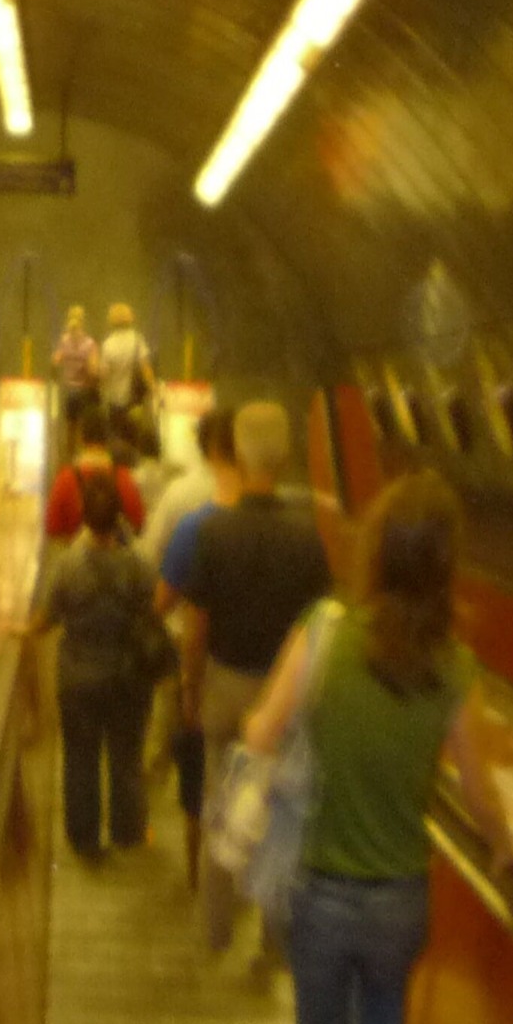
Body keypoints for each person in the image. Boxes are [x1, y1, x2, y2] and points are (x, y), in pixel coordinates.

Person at [242, 472, 503, 1024]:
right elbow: (479, 788)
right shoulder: (452, 667)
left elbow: (260, 734)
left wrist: (287, 733)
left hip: (321, 891)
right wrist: (506, 849)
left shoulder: (326, 634)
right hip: (399, 896)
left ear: (377, 551)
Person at [159, 398, 326, 959]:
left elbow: (197, 624)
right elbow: (315, 628)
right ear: (284, 459)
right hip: (282, 692)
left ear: (240, 455)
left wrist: (191, 687)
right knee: (281, 814)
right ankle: (272, 945)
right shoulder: (306, 538)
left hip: (224, 685)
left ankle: (216, 932)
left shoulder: (215, 532)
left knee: (219, 807)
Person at [35, 472, 160, 862]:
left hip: (79, 676)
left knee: (80, 758)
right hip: (128, 676)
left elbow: (47, 619)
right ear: (119, 517)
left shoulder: (67, 565)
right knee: (127, 757)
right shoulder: (139, 565)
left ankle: (84, 839)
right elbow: (153, 610)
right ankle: (127, 832)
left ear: (84, 517)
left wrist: (23, 630)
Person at [143, 403, 237, 884]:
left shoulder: (182, 498)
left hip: (185, 647)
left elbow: (152, 564)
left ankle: (160, 825)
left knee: (179, 739)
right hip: (244, 659)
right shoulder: (254, 505)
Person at [43, 426, 146, 541]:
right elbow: (138, 523)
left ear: (81, 439)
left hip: (73, 549)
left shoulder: (64, 479)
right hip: (115, 549)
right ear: (106, 440)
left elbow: (52, 529)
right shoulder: (124, 477)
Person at [97, 301, 155, 423]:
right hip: (135, 401)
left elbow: (103, 375)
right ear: (130, 318)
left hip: (114, 400)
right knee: (134, 431)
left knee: (116, 431)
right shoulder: (138, 340)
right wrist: (153, 388)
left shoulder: (108, 344)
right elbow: (145, 368)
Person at [51, 305, 98, 443]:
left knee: (70, 425)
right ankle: (80, 450)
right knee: (82, 425)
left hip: (69, 388)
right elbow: (93, 369)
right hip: (84, 388)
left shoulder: (63, 341)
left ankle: (70, 451)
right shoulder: (89, 343)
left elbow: (55, 361)